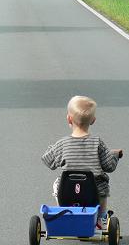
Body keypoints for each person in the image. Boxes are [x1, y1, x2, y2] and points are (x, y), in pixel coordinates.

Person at [41, 96, 122, 230]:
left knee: (57, 183)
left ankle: (65, 211)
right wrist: (115, 155)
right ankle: (101, 217)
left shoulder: (62, 143)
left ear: (69, 118)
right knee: (102, 184)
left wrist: (53, 148)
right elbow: (109, 166)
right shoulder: (97, 143)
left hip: (67, 192)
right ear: (93, 121)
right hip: (94, 192)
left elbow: (48, 161)